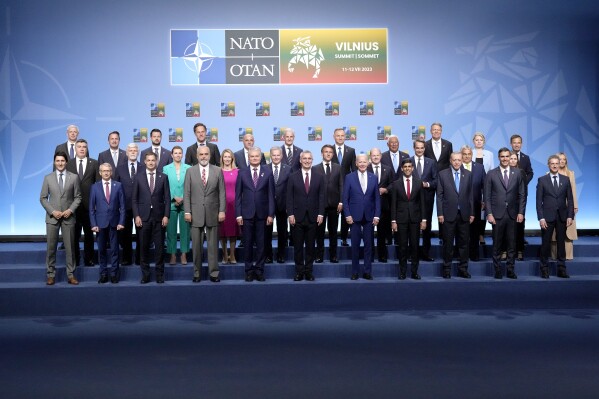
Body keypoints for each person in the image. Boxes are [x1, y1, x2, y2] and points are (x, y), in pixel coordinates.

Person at [184, 145, 226, 283]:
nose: (203, 157)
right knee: (196, 247)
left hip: (213, 213)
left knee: (213, 247)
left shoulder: (218, 170)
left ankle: (214, 273)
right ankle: (197, 273)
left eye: (206, 154)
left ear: (210, 155)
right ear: (197, 156)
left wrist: (221, 211)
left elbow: (222, 193)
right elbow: (187, 193)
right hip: (195, 214)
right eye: (201, 154)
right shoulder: (190, 171)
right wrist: (187, 211)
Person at [40, 152, 81, 285]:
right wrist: (52, 211)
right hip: (52, 218)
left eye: (62, 161)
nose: (60, 163)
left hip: (68, 218)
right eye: (58, 161)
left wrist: (70, 210)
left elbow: (78, 197)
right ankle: (51, 274)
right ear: (54, 162)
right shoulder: (48, 178)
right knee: (51, 248)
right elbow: (43, 198)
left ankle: (71, 275)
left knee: (70, 248)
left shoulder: (74, 177)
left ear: (66, 162)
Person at [484, 148, 525, 279]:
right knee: (497, 244)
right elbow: (487, 196)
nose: (505, 159)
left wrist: (521, 212)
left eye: (507, 156)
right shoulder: (491, 174)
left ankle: (510, 270)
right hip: (496, 214)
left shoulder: (518, 172)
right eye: (502, 156)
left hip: (513, 214)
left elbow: (522, 194)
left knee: (512, 244)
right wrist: (489, 213)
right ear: (498, 157)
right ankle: (497, 270)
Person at [235, 146, 275, 281]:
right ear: (249, 158)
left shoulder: (268, 172)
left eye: (257, 156)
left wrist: (271, 214)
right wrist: (238, 214)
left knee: (261, 244)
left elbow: (271, 195)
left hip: (263, 215)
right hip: (246, 214)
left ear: (261, 157)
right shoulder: (242, 173)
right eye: (252, 156)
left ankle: (259, 270)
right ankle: (248, 270)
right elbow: (238, 196)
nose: (254, 158)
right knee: (247, 244)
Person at [132, 151, 170, 284]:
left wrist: (166, 215)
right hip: (143, 218)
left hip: (159, 218)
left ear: (157, 161)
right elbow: (134, 199)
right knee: (143, 248)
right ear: (144, 161)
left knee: (159, 248)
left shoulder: (163, 177)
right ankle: (146, 275)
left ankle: (160, 274)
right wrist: (136, 215)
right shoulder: (138, 177)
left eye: (153, 160)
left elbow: (167, 198)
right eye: (148, 160)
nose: (151, 162)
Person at [287, 151, 325, 281]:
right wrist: (290, 213)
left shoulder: (319, 176)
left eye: (309, 158)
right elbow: (289, 197)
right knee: (297, 247)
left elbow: (321, 197)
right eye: (305, 158)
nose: (307, 161)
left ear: (312, 160)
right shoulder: (292, 177)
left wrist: (321, 213)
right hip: (297, 217)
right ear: (300, 160)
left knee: (310, 247)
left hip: (313, 217)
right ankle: (299, 271)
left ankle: (308, 271)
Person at [342, 154, 381, 280]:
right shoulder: (349, 177)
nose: (363, 164)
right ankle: (355, 272)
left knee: (369, 246)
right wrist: (347, 214)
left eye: (365, 162)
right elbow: (345, 198)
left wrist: (377, 215)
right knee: (355, 246)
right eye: (360, 162)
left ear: (368, 163)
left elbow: (377, 199)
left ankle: (367, 272)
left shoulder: (374, 178)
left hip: (369, 217)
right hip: (354, 217)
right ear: (356, 164)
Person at [436, 152, 474, 279]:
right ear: (450, 161)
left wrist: (472, 212)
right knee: (448, 243)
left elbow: (471, 196)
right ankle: (446, 269)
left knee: (464, 244)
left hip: (464, 214)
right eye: (454, 160)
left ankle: (463, 269)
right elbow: (439, 196)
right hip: (448, 215)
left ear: (462, 160)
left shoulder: (468, 174)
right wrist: (440, 213)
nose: (457, 162)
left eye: (459, 160)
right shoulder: (442, 174)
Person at [536, 155, 574, 279]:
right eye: (552, 163)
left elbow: (570, 199)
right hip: (547, 217)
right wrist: (541, 218)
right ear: (548, 164)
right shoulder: (542, 180)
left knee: (561, 244)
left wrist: (570, 215)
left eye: (557, 163)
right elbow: (538, 201)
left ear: (559, 164)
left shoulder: (566, 179)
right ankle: (544, 269)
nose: (554, 165)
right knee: (545, 243)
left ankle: (561, 269)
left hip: (562, 216)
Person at [390, 158, 427, 279]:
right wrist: (393, 221)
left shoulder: (418, 182)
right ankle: (402, 272)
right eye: (405, 167)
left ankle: (414, 272)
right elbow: (393, 204)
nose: (407, 169)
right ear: (402, 168)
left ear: (412, 168)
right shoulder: (396, 184)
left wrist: (424, 220)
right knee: (402, 247)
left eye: (409, 166)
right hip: (400, 220)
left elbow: (422, 202)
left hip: (415, 220)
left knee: (415, 246)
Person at [89, 163, 126, 284]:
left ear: (111, 172)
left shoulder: (118, 186)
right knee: (102, 251)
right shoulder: (94, 187)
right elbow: (91, 209)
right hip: (100, 224)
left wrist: (121, 222)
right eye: (103, 171)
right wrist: (93, 224)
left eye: (108, 170)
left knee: (115, 250)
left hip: (115, 223)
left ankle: (114, 274)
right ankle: (103, 274)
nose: (106, 172)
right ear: (100, 172)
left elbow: (123, 207)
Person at [66, 139, 99, 266]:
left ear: (87, 148)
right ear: (75, 148)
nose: (81, 149)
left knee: (89, 235)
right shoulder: (69, 164)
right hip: (72, 206)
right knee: (74, 235)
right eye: (79, 146)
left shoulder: (94, 163)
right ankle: (75, 259)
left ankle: (88, 259)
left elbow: (97, 185)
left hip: (89, 206)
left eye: (84, 146)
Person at [313, 144, 343, 263]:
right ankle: (319, 255)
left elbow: (341, 185)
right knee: (319, 233)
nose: (328, 153)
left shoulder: (338, 167)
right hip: (319, 206)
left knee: (333, 232)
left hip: (334, 205)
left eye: (330, 152)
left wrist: (341, 201)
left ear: (333, 154)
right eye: (326, 152)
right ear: (322, 154)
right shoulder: (315, 168)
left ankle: (333, 255)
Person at [115, 143, 143, 266]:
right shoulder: (119, 168)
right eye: (130, 150)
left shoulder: (144, 167)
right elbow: (116, 187)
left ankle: (139, 258)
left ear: (138, 152)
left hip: (141, 206)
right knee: (125, 234)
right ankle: (126, 257)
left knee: (140, 234)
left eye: (135, 150)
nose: (132, 152)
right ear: (126, 153)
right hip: (124, 206)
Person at [163, 146, 191, 265]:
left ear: (182, 154)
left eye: (180, 153)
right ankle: (173, 254)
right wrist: (174, 197)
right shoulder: (166, 168)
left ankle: (184, 254)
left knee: (185, 231)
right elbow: (164, 186)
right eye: (176, 153)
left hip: (186, 203)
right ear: (172, 155)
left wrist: (183, 198)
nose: (178, 155)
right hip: (171, 203)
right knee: (171, 231)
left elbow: (191, 185)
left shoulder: (189, 168)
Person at [411, 139, 438, 261]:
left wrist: (426, 184)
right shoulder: (408, 162)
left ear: (424, 148)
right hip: (412, 200)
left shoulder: (431, 162)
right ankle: (413, 254)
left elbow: (436, 181)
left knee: (426, 228)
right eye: (417, 148)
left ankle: (426, 253)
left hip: (427, 199)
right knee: (413, 228)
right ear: (414, 148)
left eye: (422, 148)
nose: (420, 150)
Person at [265, 146, 291, 264]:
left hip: (283, 205)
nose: (276, 157)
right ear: (270, 156)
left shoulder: (288, 169)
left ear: (281, 156)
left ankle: (281, 255)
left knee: (282, 232)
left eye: (278, 155)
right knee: (267, 232)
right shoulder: (264, 168)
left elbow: (290, 189)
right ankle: (268, 255)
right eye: (273, 155)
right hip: (267, 205)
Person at [461, 145, 486, 261]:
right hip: (460, 205)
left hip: (476, 204)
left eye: (469, 154)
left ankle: (474, 255)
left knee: (475, 231)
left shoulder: (479, 168)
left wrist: (484, 200)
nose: (466, 156)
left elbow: (485, 186)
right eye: (464, 154)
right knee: (461, 232)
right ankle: (462, 255)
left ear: (472, 155)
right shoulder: (456, 166)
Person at [331, 128, 356, 247]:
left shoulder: (351, 151)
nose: (340, 137)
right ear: (334, 136)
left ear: (345, 137)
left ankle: (344, 238)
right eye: (338, 136)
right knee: (333, 215)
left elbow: (354, 170)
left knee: (346, 213)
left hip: (348, 187)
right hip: (333, 187)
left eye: (342, 136)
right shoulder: (329, 150)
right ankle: (333, 239)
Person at [552, 152, 578, 260]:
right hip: (554, 207)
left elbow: (573, 191)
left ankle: (568, 255)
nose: (562, 161)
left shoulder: (570, 173)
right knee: (554, 233)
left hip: (568, 206)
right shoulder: (550, 173)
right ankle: (555, 255)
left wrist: (574, 206)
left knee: (568, 231)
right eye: (559, 159)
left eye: (564, 159)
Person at [368, 148, 393, 262]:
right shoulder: (365, 168)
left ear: (381, 156)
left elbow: (393, 184)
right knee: (369, 233)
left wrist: (386, 190)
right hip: (368, 206)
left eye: (377, 155)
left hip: (383, 206)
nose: (376, 157)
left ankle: (382, 255)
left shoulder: (388, 169)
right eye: (373, 155)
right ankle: (370, 255)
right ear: (370, 156)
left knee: (382, 233)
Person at [511, 134, 534, 250]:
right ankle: (510, 240)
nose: (516, 144)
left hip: (522, 192)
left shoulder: (526, 158)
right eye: (514, 142)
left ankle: (520, 238)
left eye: (518, 142)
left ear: (521, 144)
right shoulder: (507, 156)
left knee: (521, 216)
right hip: (508, 193)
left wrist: (523, 183)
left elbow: (530, 172)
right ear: (511, 144)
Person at [219, 149, 239, 264]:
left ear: (232, 158)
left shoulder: (238, 171)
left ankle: (232, 254)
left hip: (234, 205)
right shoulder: (218, 171)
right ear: (222, 158)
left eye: (229, 157)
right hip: (222, 206)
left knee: (233, 231)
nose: (227, 159)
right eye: (225, 156)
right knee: (222, 232)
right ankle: (224, 254)